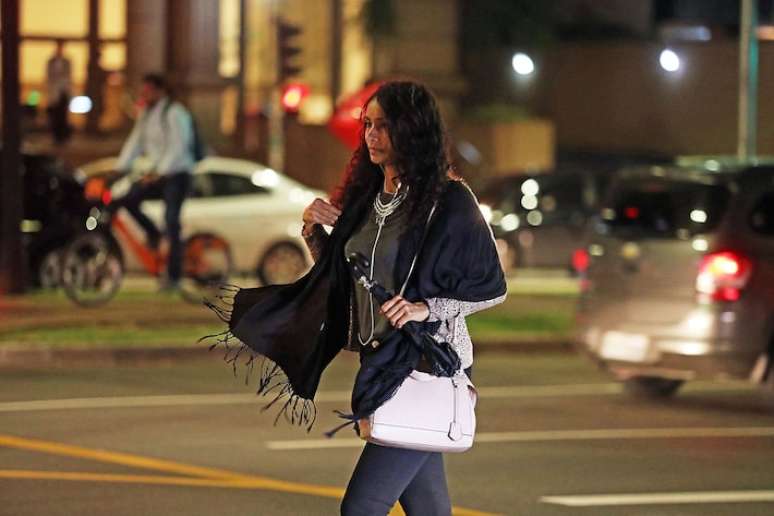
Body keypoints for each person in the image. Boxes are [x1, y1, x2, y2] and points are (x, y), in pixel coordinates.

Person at [208, 81, 506, 515]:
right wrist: (313, 231)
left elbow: (491, 286)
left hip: (424, 363)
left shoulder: (449, 200)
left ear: (413, 130)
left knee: (361, 508)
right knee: (428, 508)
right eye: (367, 124)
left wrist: (427, 307)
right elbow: (349, 277)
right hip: (381, 361)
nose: (371, 135)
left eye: (384, 126)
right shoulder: (368, 199)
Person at [112, 73, 196, 290]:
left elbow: (179, 147)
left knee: (172, 220)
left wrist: (159, 171)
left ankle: (174, 277)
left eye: (148, 90)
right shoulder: (146, 115)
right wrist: (119, 168)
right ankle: (154, 235)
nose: (144, 94)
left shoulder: (175, 113)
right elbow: (134, 144)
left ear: (161, 91)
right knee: (127, 199)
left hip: (178, 174)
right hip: (157, 174)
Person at [46, 39, 72, 145]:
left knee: (63, 115)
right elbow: (49, 76)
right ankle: (56, 137)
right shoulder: (51, 61)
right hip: (54, 91)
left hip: (63, 90)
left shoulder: (66, 61)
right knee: (55, 115)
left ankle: (63, 137)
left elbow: (69, 76)